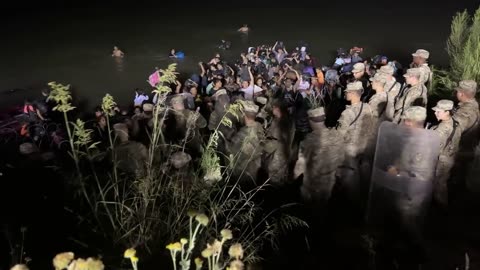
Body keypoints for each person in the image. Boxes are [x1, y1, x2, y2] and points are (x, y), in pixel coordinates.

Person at [430, 100, 461, 207]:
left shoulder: (443, 128)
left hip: (442, 160)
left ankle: (441, 206)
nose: (435, 113)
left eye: (438, 111)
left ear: (447, 112)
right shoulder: (455, 122)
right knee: (441, 182)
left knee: (439, 184)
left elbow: (435, 148)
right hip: (450, 157)